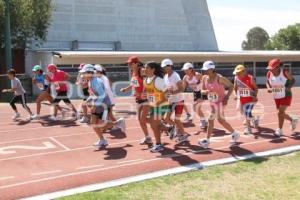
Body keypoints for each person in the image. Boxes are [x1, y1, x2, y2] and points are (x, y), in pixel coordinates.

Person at [80, 64, 125, 150]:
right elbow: (94, 94)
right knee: (94, 124)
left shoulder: (97, 81)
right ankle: (102, 140)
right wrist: (88, 100)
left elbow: (102, 95)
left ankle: (118, 123)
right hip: (98, 104)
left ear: (89, 73)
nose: (82, 75)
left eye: (84, 73)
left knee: (101, 125)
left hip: (104, 105)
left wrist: (94, 105)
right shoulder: (90, 81)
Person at [199, 61, 240, 149]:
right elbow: (201, 91)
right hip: (212, 103)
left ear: (212, 69)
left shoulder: (219, 78)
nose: (205, 71)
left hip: (221, 102)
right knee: (221, 121)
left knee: (210, 119)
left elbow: (231, 86)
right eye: (204, 70)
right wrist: (206, 92)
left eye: (207, 70)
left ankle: (207, 141)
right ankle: (234, 133)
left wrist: (227, 97)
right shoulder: (204, 78)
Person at [144, 61, 176, 152]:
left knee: (154, 124)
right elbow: (150, 93)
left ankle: (158, 144)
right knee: (152, 124)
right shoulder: (146, 79)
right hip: (153, 105)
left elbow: (167, 94)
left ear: (153, 69)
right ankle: (169, 128)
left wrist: (159, 102)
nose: (144, 69)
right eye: (144, 68)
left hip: (161, 105)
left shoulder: (158, 80)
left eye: (147, 68)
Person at [120, 56, 152, 144]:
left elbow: (148, 82)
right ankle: (149, 136)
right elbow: (133, 84)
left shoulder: (141, 70)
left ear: (136, 63)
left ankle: (161, 126)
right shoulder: (133, 72)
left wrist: (144, 92)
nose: (129, 65)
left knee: (142, 119)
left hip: (146, 98)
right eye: (128, 63)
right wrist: (126, 89)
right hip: (138, 98)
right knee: (141, 120)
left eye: (131, 63)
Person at [266, 58, 298, 137]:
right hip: (276, 95)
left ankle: (279, 130)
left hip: (286, 95)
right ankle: (292, 119)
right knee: (281, 113)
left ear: (277, 67)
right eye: (270, 68)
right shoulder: (269, 73)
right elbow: (267, 81)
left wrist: (288, 87)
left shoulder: (284, 72)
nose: (271, 70)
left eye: (272, 69)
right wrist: (268, 88)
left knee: (280, 113)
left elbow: (293, 80)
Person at [161, 58, 188, 144]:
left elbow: (182, 88)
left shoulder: (175, 76)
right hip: (171, 101)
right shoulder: (165, 76)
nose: (164, 68)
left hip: (179, 100)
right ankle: (175, 129)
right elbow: (166, 89)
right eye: (163, 67)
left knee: (177, 120)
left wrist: (172, 92)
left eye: (165, 67)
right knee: (166, 118)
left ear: (170, 66)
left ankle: (183, 135)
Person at [233, 65, 259, 135]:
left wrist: (254, 96)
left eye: (239, 72)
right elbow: (234, 88)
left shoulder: (250, 78)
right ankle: (254, 119)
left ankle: (248, 128)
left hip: (251, 99)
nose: (237, 74)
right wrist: (235, 94)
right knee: (242, 111)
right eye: (237, 73)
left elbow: (256, 88)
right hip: (242, 99)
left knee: (247, 113)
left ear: (244, 71)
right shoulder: (236, 78)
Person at [182, 62, 207, 128]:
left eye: (187, 70)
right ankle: (204, 120)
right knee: (196, 108)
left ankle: (203, 121)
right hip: (196, 93)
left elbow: (206, 81)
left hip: (202, 92)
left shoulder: (197, 75)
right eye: (184, 70)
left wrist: (197, 84)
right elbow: (183, 88)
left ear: (191, 69)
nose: (185, 71)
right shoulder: (185, 78)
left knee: (196, 107)